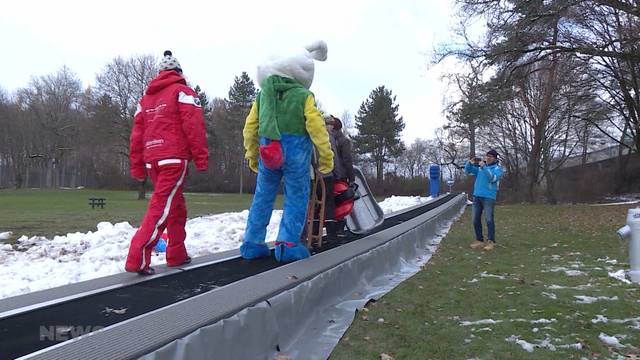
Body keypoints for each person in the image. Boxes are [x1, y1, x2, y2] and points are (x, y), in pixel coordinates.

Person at [241, 41, 333, 263]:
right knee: (296, 197)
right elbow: (317, 127)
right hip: (295, 155)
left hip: (267, 152)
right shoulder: (303, 96)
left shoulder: (262, 96)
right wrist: (325, 156)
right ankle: (287, 244)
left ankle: (252, 243)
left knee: (262, 197)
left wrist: (252, 154)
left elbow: (249, 128)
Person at [125, 50, 208, 275]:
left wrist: (137, 165)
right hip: (173, 157)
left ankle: (177, 253)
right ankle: (138, 257)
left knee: (176, 207)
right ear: (179, 72)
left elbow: (136, 134)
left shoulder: (145, 100)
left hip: (153, 160)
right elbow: (194, 126)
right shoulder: (183, 92)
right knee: (161, 207)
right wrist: (201, 158)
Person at [465, 149, 503, 251]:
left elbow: (492, 178)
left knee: (489, 219)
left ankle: (491, 241)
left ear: (495, 158)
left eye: (490, 156)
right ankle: (479, 240)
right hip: (477, 196)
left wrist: (484, 167)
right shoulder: (480, 168)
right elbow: (467, 170)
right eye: (487, 156)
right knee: (475, 219)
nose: (488, 158)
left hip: (489, 197)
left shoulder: (497, 169)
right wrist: (469, 162)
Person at [326, 115, 355, 236]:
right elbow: (347, 160)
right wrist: (351, 177)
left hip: (330, 174)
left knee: (332, 202)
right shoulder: (344, 140)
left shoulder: (329, 138)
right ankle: (339, 230)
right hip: (341, 175)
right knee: (342, 202)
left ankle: (334, 230)